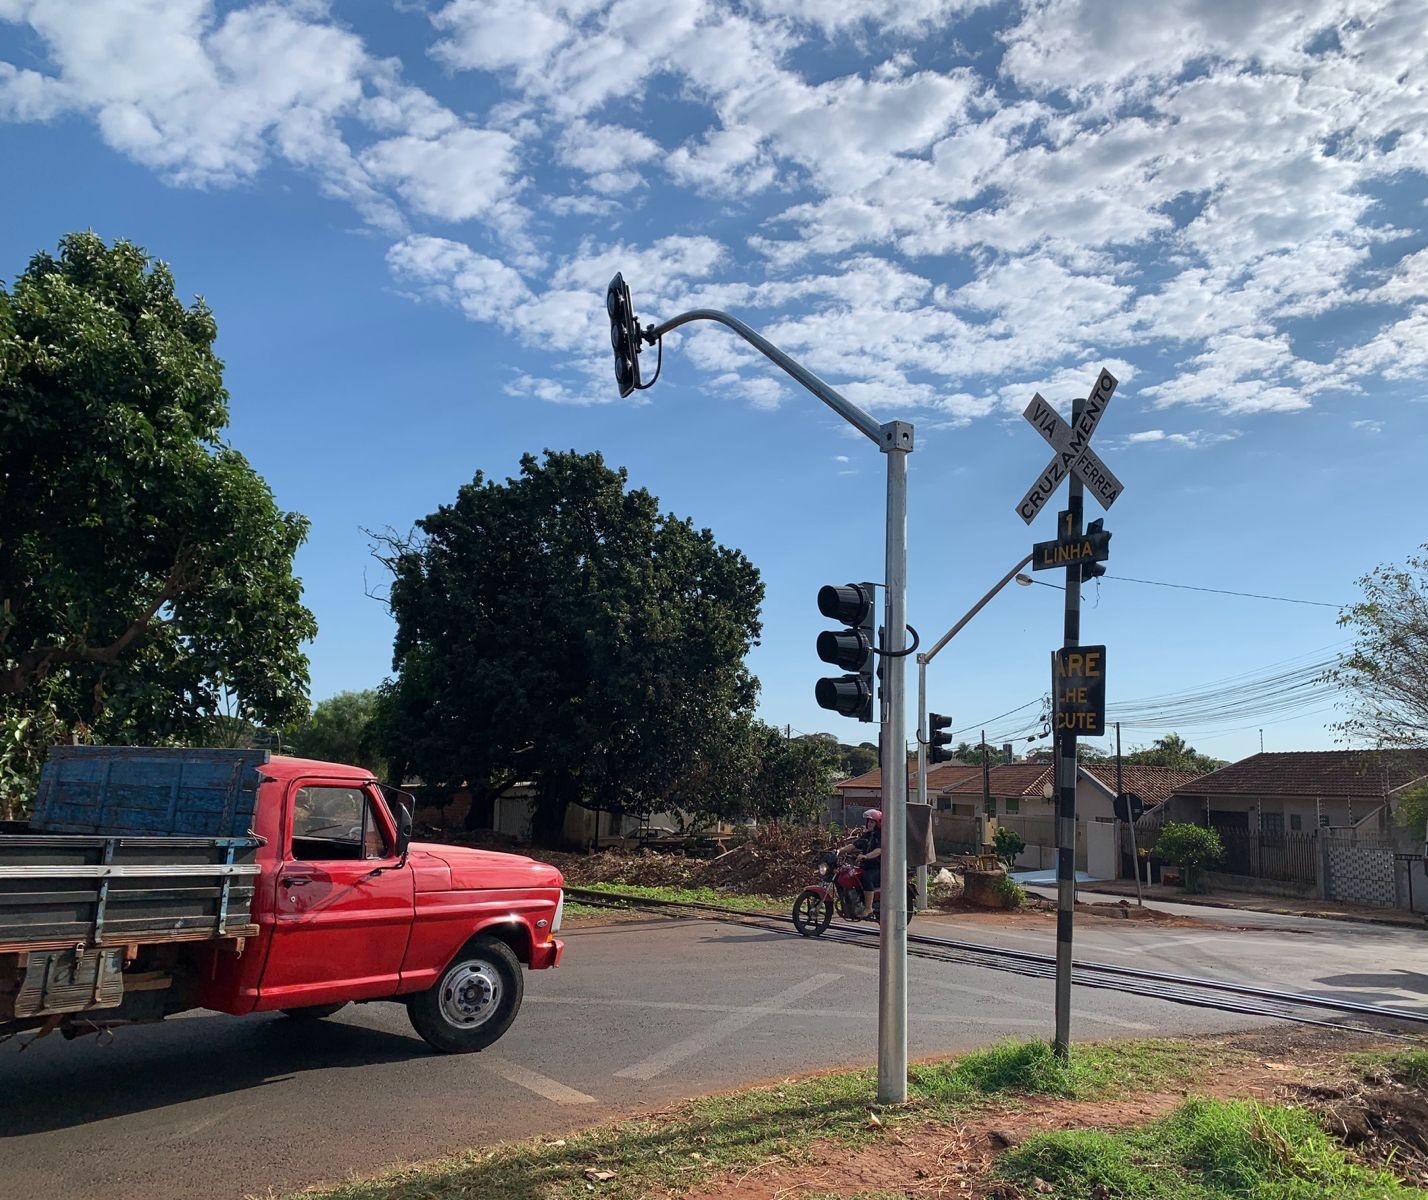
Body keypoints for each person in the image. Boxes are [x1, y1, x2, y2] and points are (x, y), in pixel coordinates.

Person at [845, 809, 883, 918]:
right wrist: (838, 851)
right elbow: (854, 845)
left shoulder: (880, 835)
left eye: (872, 822)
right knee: (852, 874)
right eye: (868, 821)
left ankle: (868, 908)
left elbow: (878, 851)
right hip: (866, 865)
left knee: (867, 877)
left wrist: (865, 856)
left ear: (877, 823)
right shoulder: (867, 835)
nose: (869, 824)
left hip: (878, 867)